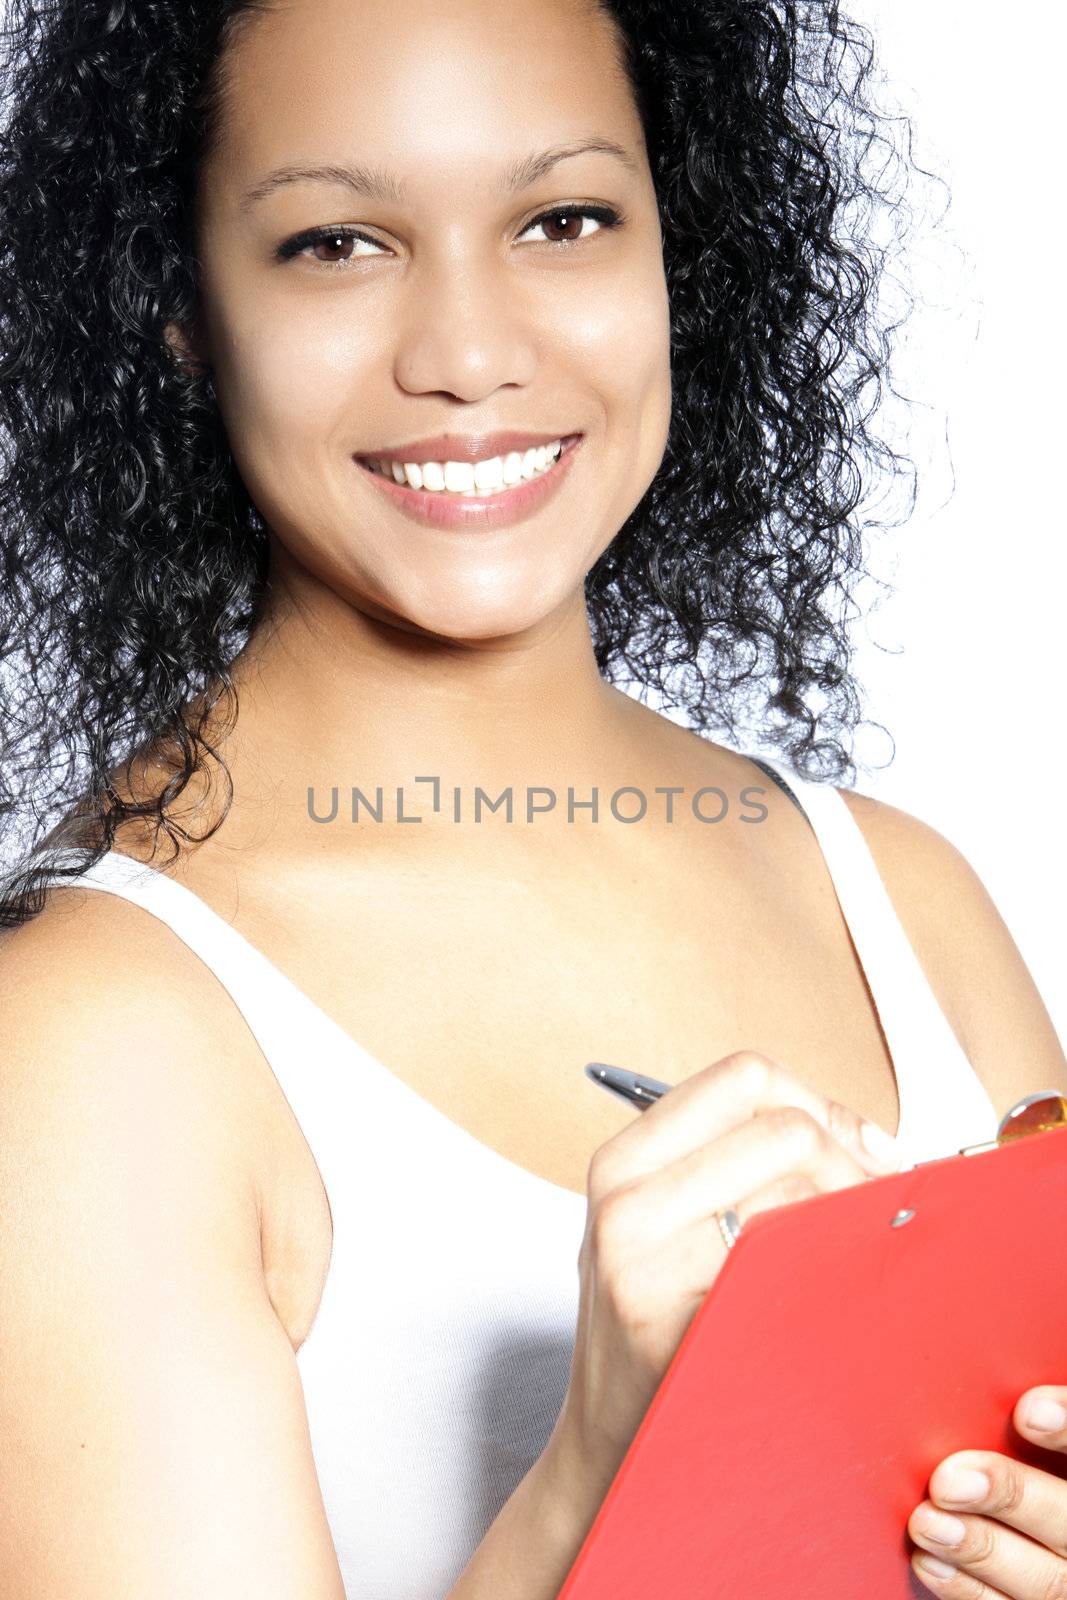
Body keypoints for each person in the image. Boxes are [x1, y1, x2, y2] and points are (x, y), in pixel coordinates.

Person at [1, 0, 1065, 1597]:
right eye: (337, 243)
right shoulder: (85, 1042)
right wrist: (600, 1474)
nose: (473, 354)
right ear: (179, 307)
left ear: (672, 249)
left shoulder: (901, 901)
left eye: (564, 220)